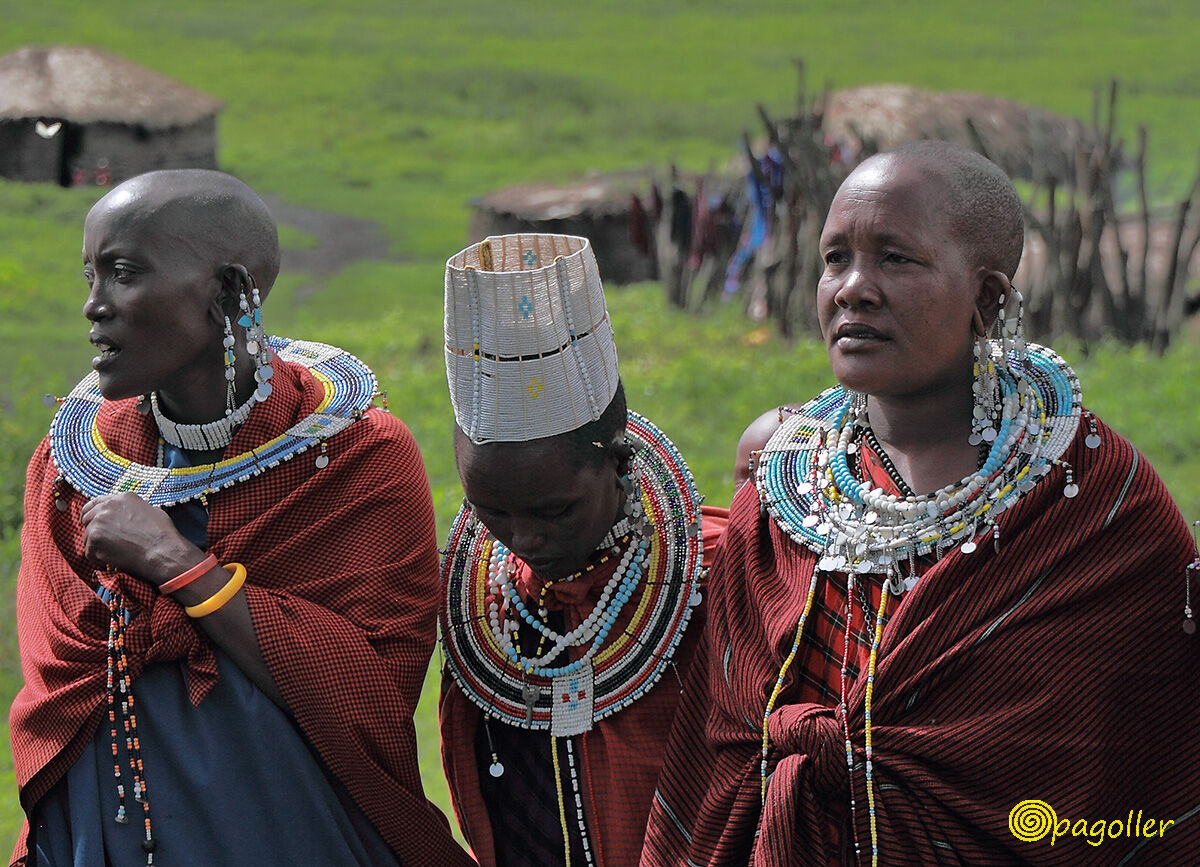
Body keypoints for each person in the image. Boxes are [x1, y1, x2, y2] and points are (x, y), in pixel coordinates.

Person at [642, 142, 1200, 865]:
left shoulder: (1093, 504)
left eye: (896, 259)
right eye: (835, 258)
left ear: (989, 298)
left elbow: (1136, 761)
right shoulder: (782, 499)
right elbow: (719, 756)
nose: (853, 288)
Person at [10, 170, 472, 866]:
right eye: (91, 276)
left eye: (124, 273)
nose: (93, 306)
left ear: (227, 292)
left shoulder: (356, 457)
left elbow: (372, 697)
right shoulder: (71, 469)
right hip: (107, 834)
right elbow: (61, 677)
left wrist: (177, 566)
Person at [437, 234, 728, 866]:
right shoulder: (480, 605)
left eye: (553, 511)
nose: (524, 538)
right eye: (492, 513)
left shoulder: (716, 579)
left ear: (619, 464)